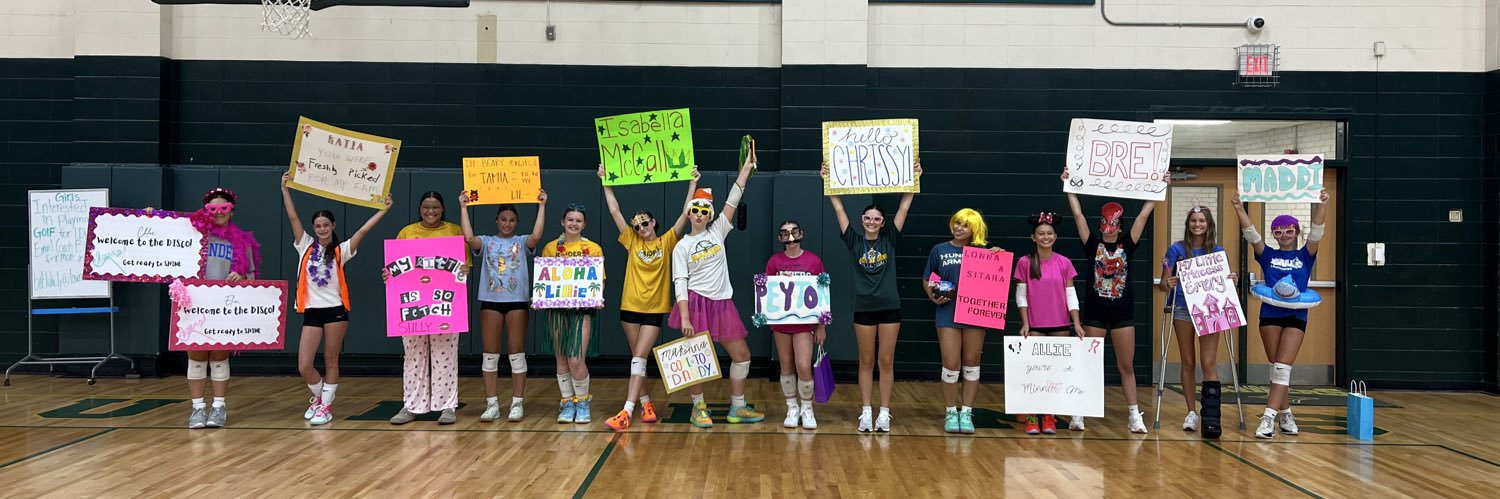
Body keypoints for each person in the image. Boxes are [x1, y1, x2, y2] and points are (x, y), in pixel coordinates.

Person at [280, 173, 391, 425]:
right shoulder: (304, 244)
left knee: (331, 359)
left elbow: (363, 229)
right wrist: (284, 189)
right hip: (312, 311)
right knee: (304, 365)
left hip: (336, 311)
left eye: (325, 225)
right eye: (317, 225)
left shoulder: (342, 251)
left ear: (332, 226)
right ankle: (320, 398)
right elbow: (293, 217)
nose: (321, 229)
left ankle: (326, 407)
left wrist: (383, 209)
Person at [821, 162, 921, 432]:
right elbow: (839, 209)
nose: (872, 221)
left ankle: (884, 412)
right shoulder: (853, 241)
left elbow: (904, 208)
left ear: (883, 222)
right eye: (868, 218)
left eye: (877, 218)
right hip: (864, 308)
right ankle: (866, 411)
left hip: (890, 308)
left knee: (886, 361)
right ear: (862, 220)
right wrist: (828, 181)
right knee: (866, 361)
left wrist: (913, 180)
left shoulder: (890, 240)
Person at [601, 166, 700, 432]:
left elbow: (685, 213)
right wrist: (606, 183)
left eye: (645, 223)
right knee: (638, 358)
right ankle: (646, 403)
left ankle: (626, 411)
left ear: (653, 223)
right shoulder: (631, 241)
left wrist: (692, 183)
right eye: (637, 225)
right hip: (629, 308)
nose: (641, 227)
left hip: (654, 310)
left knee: (639, 358)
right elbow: (614, 211)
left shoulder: (667, 241)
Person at [1062, 169, 1162, 433]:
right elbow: (1078, 215)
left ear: (1120, 226)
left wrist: (1158, 188)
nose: (1109, 228)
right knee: (1087, 364)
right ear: (1100, 225)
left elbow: (1143, 216)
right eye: (1105, 223)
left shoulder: (1128, 244)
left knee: (1125, 365)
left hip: (1122, 313)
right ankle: (1079, 412)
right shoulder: (1091, 244)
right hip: (1094, 312)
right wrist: (1070, 187)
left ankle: (1133, 415)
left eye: (1114, 224)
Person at [670, 152, 762, 428]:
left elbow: (734, 198)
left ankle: (737, 408)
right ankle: (698, 408)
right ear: (689, 214)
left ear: (709, 215)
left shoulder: (718, 231)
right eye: (694, 210)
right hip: (696, 304)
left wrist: (745, 169)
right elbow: (680, 283)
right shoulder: (682, 246)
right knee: (696, 361)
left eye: (703, 211)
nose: (698, 215)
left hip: (722, 304)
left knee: (742, 356)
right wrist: (685, 317)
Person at [1231, 190, 1329, 439]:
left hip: (1296, 317)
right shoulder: (1268, 255)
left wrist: (1322, 204)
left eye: (1288, 230)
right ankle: (1286, 414)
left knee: (1283, 368)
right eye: (1278, 231)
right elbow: (1251, 234)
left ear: (1296, 231)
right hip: (1270, 316)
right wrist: (1240, 208)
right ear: (1274, 234)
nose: (1284, 234)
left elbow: (1317, 231)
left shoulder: (1305, 255)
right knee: (1277, 368)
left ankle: (1267, 418)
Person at [163, 187, 263, 429]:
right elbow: (161, 236)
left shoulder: (242, 241)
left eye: (223, 208)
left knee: (219, 355)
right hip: (194, 302)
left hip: (223, 306)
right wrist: (149, 216)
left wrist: (241, 277)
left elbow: (251, 277)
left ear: (232, 211)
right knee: (196, 356)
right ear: (205, 210)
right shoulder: (191, 233)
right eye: (213, 209)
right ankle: (197, 409)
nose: (218, 213)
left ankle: (218, 407)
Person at [459, 189, 548, 422]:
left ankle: (517, 403)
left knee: (516, 355)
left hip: (517, 302)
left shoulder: (521, 241)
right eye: (503, 219)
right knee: (490, 355)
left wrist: (541, 205)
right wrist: (463, 207)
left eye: (511, 220)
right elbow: (469, 238)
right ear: (496, 221)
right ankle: (492, 404)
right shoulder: (487, 242)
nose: (507, 224)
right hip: (491, 302)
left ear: (517, 222)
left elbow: (537, 236)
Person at [922, 208, 1004, 435]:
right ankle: (951, 412)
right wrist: (933, 296)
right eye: (957, 223)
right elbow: (929, 279)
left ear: (974, 229)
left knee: (972, 362)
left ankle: (966, 412)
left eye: (965, 225)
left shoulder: (984, 251)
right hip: (947, 312)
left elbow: (998, 276)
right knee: (950, 363)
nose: (959, 228)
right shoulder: (940, 249)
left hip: (975, 313)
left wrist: (998, 257)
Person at [390, 191, 468, 426]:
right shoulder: (407, 232)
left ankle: (447, 406)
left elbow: (464, 267)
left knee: (445, 355)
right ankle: (412, 405)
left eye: (435, 207)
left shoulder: (455, 231)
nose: (430, 211)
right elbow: (395, 266)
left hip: (445, 303)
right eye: (426, 207)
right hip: (413, 303)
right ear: (420, 208)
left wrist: (464, 271)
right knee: (413, 354)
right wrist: (389, 274)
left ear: (443, 208)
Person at [1159, 204, 1235, 438]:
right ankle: (1191, 411)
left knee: (1208, 362)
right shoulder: (1176, 250)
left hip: (1210, 310)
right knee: (1188, 362)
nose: (1197, 225)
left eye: (1201, 221)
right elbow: (1163, 284)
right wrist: (1167, 283)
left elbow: (1225, 284)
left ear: (1208, 224)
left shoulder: (1218, 252)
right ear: (1188, 224)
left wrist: (1233, 279)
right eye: (1193, 221)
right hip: (1183, 307)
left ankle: (1211, 416)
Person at [1014, 212, 1086, 435]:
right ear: (1033, 237)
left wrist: (1076, 323)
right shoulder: (1025, 262)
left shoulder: (1064, 263)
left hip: (1059, 325)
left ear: (1055, 236)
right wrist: (1025, 322)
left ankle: (1049, 416)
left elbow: (1071, 295)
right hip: (1035, 325)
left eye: (1049, 233)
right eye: (1041, 234)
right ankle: (1032, 416)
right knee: (1035, 372)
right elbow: (1021, 295)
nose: (1045, 237)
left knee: (1054, 373)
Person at [541, 203, 606, 425]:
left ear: (584, 224)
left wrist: (598, 297)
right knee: (560, 358)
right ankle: (567, 402)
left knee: (576, 358)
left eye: (578, 220)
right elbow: (545, 278)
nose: (574, 223)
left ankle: (583, 402)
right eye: (570, 219)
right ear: (562, 221)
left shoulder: (594, 248)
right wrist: (540, 296)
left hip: (582, 310)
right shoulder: (551, 248)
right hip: (557, 310)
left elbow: (599, 280)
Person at [766, 219, 827, 430]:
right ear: (780, 238)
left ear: (801, 233)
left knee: (803, 364)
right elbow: (768, 293)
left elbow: (823, 293)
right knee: (786, 364)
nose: (790, 237)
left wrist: (822, 325)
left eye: (793, 232)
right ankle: (791, 407)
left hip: (805, 322)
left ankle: (807, 408)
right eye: (784, 233)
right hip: (783, 321)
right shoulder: (774, 262)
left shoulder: (813, 261)